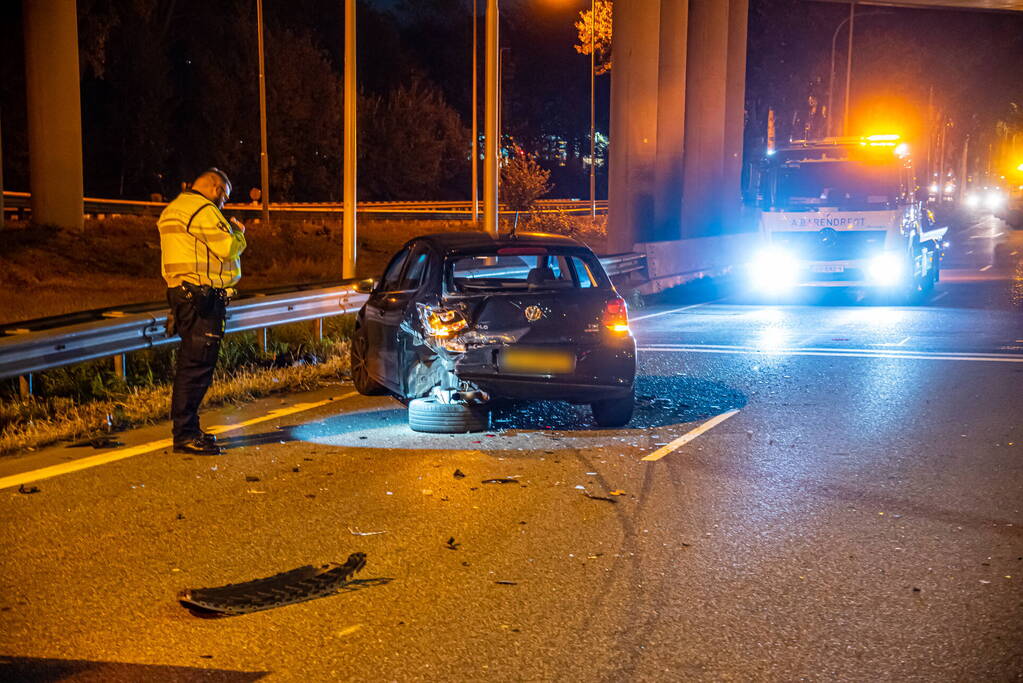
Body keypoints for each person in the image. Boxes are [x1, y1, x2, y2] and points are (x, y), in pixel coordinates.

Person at [157, 168, 247, 455]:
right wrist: (238, 233)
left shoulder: (173, 209)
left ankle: (188, 429)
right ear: (215, 188)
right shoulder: (203, 209)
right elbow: (227, 247)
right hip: (202, 297)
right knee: (196, 369)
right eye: (224, 196)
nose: (223, 204)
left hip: (183, 295)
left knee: (190, 366)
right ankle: (185, 435)